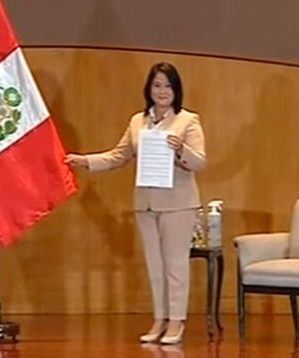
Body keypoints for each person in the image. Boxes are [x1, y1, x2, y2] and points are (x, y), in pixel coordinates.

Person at [65, 62, 206, 345]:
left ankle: (177, 322)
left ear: (176, 90)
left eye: (167, 86)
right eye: (157, 85)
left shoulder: (188, 121)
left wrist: (181, 149)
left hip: (178, 203)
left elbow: (200, 162)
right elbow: (119, 156)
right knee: (154, 264)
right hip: (146, 203)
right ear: (149, 89)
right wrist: (85, 161)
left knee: (175, 265)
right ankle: (159, 319)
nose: (162, 91)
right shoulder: (137, 122)